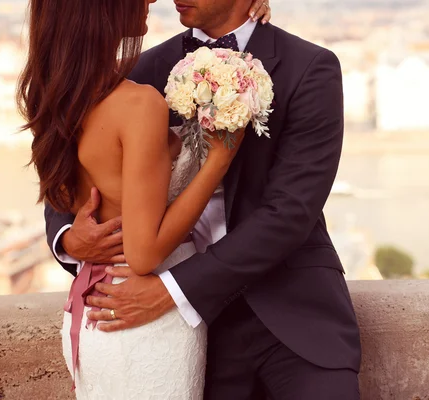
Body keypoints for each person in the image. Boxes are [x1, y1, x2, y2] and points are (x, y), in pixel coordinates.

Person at [44, 0, 362, 399]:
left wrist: (175, 289)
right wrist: (67, 238)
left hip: (292, 314)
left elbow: (291, 210)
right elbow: (74, 165)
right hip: (179, 333)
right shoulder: (143, 72)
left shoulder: (311, 67)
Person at [18, 0, 271, 399]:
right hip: (144, 322)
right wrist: (218, 161)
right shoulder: (139, 104)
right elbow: (144, 254)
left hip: (95, 314)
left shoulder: (61, 97)